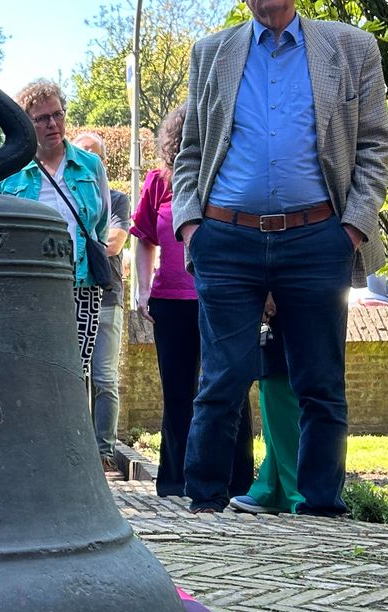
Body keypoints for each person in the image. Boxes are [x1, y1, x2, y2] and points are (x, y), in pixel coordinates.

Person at [172, 0, 388, 514]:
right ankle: (203, 513)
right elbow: (191, 149)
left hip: (318, 237)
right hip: (225, 238)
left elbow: (375, 143)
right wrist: (191, 227)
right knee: (221, 378)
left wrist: (352, 228)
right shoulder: (211, 51)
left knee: (320, 381)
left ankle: (320, 514)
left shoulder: (351, 46)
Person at [131, 106, 254, 499]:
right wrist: (143, 288)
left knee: (229, 388)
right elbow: (143, 237)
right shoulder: (157, 184)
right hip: (171, 302)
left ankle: (237, 483)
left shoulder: (230, 182)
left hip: (223, 298)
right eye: (186, 141)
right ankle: (174, 483)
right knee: (178, 392)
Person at [0, 80, 110, 376]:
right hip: (28, 285)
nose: (53, 124)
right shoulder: (9, 171)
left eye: (58, 114)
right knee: (31, 370)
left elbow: (101, 223)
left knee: (76, 372)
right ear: (26, 123)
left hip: (81, 283)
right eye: (42, 118)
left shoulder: (90, 165)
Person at [71, 132, 130, 467]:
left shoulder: (117, 199)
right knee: (73, 375)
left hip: (106, 299)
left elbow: (114, 244)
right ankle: (77, 450)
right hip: (72, 296)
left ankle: (104, 452)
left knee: (104, 378)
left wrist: (77, 240)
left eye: (92, 154)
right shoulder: (63, 194)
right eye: (80, 154)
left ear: (101, 162)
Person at [231, 295, 305, 514]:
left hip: (294, 293)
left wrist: (269, 291)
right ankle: (272, 488)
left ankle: (300, 491)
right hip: (277, 301)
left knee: (285, 388)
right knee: (272, 383)